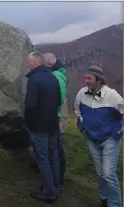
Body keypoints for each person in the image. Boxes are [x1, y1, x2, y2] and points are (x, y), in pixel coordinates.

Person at [74, 65, 123, 207]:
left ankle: (115, 204)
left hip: (109, 141)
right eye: (85, 78)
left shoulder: (112, 95)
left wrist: (117, 133)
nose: (86, 81)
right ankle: (104, 200)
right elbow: (77, 110)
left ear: (99, 80)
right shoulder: (82, 93)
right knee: (100, 173)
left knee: (108, 174)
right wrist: (82, 127)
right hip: (91, 139)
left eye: (89, 78)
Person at [25, 52, 61, 202]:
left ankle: (49, 193)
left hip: (39, 125)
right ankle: (53, 187)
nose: (27, 65)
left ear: (35, 62)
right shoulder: (53, 77)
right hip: (53, 123)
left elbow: (31, 105)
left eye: (28, 62)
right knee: (53, 156)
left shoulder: (34, 80)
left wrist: (28, 122)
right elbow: (59, 100)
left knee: (42, 158)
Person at [44, 53, 67, 185]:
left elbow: (59, 97)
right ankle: (57, 175)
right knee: (55, 145)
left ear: (49, 64)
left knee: (56, 147)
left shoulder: (56, 76)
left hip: (54, 115)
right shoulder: (57, 73)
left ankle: (58, 176)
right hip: (54, 114)